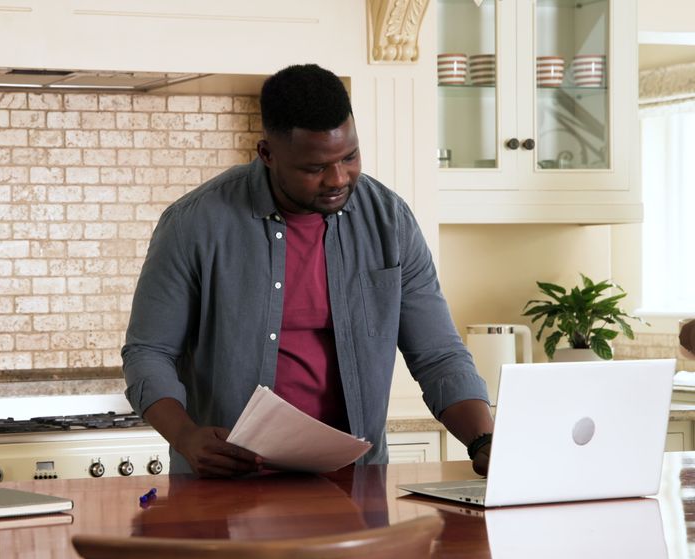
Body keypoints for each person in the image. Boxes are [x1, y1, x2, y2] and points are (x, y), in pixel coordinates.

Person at [121, 63, 494, 478]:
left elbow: (437, 354)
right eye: (314, 168)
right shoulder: (194, 223)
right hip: (228, 488)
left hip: (356, 485)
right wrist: (186, 436)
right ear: (267, 155)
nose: (338, 178)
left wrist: (484, 441)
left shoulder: (390, 221)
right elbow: (148, 352)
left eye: (349, 156)